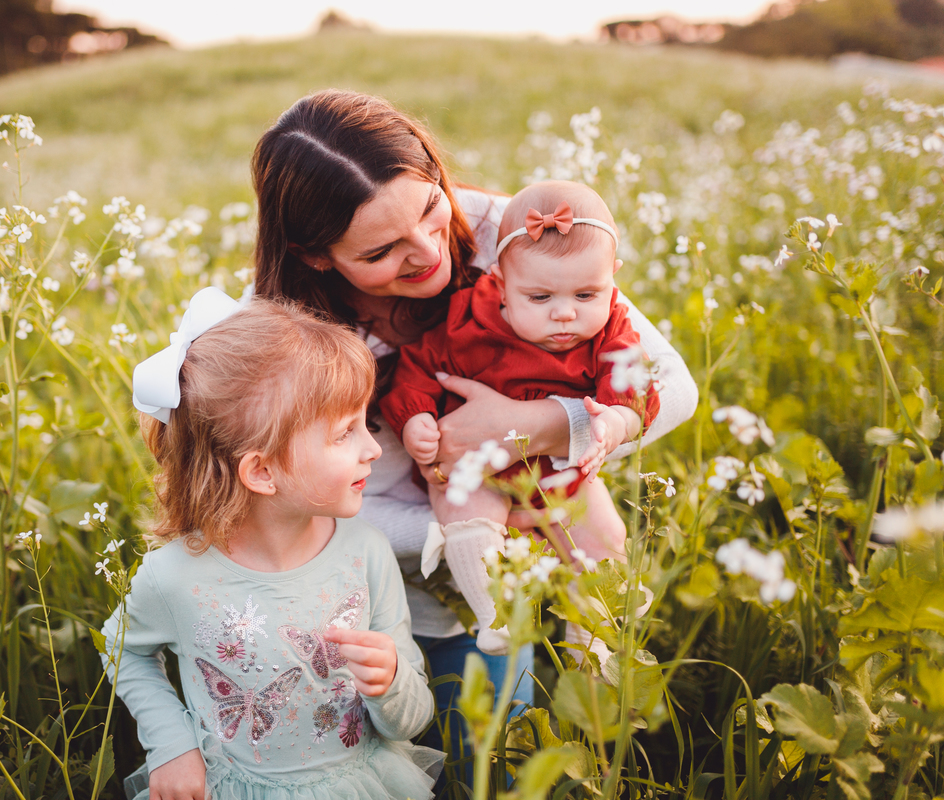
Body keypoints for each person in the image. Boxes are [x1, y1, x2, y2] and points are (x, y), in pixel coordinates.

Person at [251, 89, 697, 756]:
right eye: (381, 252)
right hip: (380, 586)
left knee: (508, 752)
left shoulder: (513, 233)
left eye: (431, 208)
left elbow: (671, 387)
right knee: (419, 762)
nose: (428, 251)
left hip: (525, 539)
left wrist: (539, 424)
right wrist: (473, 522)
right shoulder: (285, 331)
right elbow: (290, 504)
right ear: (316, 255)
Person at [102, 289, 441, 800]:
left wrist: (391, 680)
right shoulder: (174, 576)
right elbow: (121, 646)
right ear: (261, 471)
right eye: (345, 432)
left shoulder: (365, 552)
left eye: (364, 424)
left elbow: (409, 721)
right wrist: (171, 745)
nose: (373, 448)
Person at [379, 180, 659, 655]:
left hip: (562, 469)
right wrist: (415, 420)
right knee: (467, 514)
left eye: (587, 294)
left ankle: (591, 643)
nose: (566, 315)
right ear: (502, 286)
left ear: (613, 276)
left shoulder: (610, 327)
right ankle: (498, 618)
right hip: (476, 466)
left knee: (606, 536)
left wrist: (613, 425)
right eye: (541, 298)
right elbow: (421, 367)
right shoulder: (468, 318)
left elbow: (634, 391)